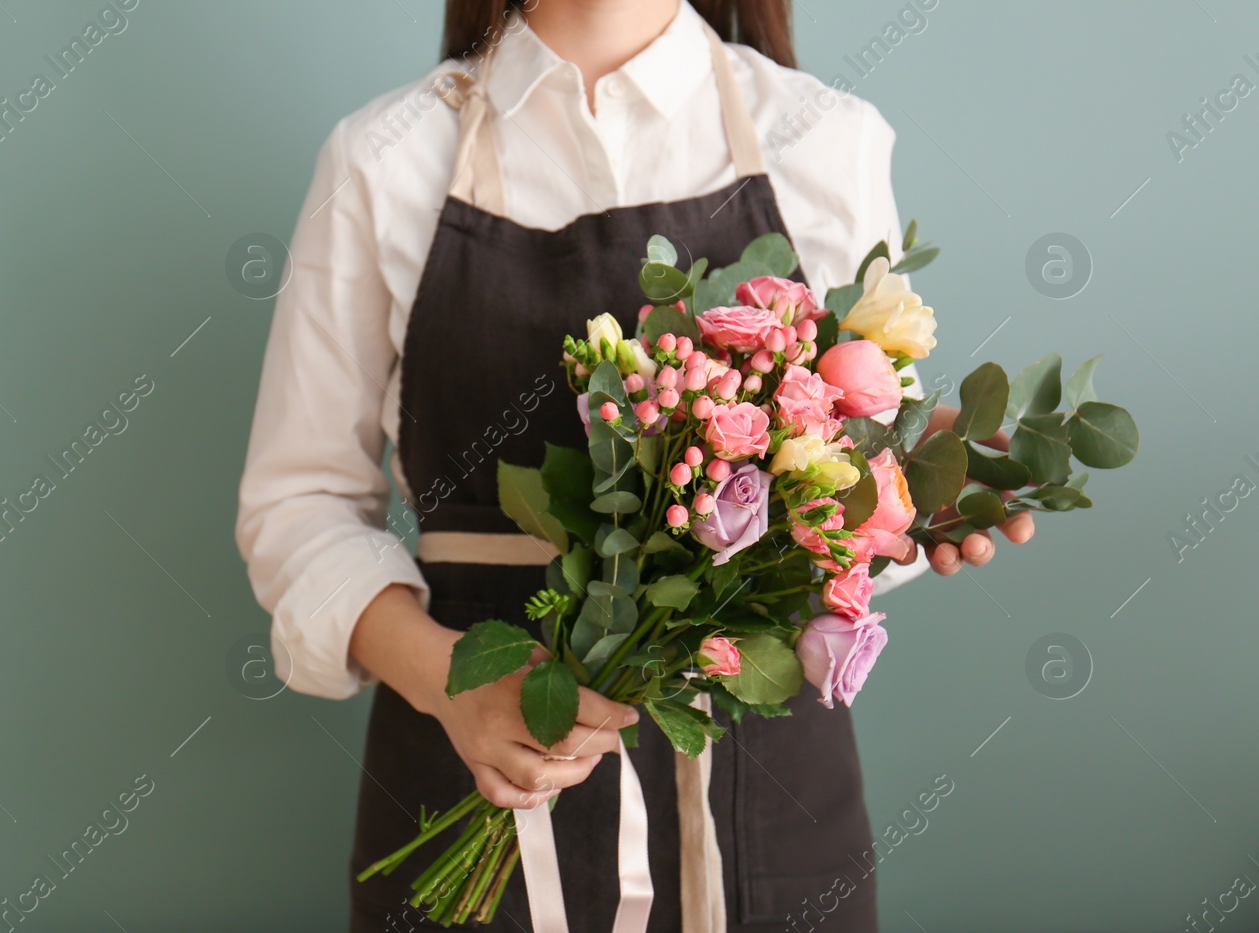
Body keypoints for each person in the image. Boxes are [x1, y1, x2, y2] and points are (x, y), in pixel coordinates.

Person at [236, 1, 1033, 929]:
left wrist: (897, 493)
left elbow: (840, 539)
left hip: (767, 816)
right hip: (462, 782)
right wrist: (449, 681)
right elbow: (298, 505)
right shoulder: (383, 157)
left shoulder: (826, 141)